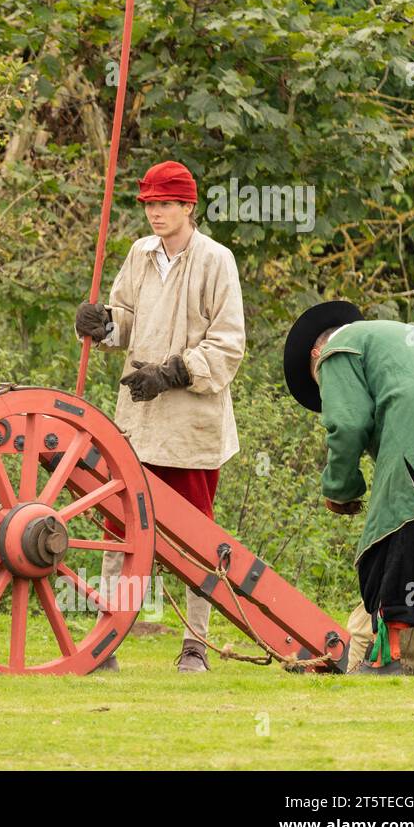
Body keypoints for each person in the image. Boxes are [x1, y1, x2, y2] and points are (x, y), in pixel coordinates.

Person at [75, 160, 246, 672]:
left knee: (194, 536)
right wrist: (101, 324)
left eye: (166, 204)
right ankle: (107, 640)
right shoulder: (139, 254)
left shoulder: (217, 260)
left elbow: (229, 344)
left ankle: (196, 643)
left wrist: (172, 373)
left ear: (189, 207)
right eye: (150, 204)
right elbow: (125, 322)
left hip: (191, 424)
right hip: (136, 421)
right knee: (120, 529)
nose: (156, 212)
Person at [283, 301, 414, 675]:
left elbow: (347, 425)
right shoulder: (402, 340)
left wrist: (341, 489)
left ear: (316, 356)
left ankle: (387, 653)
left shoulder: (336, 349)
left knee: (397, 529)